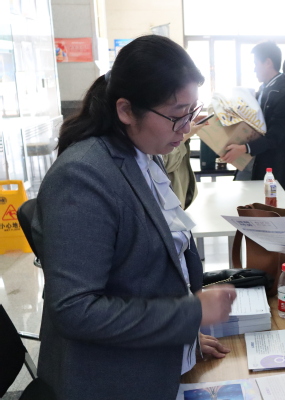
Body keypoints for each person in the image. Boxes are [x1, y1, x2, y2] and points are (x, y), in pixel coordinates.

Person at [31, 35, 236, 400]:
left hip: (157, 359)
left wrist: (185, 337)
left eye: (191, 112)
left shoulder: (142, 154)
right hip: (110, 380)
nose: (186, 127)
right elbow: (76, 309)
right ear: (126, 111)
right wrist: (188, 315)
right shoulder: (82, 176)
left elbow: (148, 269)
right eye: (176, 115)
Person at [221, 41, 285, 209]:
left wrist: (244, 148)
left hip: (278, 167)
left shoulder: (283, 93)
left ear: (268, 63)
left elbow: (275, 137)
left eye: (255, 64)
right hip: (261, 161)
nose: (254, 69)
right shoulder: (266, 88)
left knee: (273, 212)